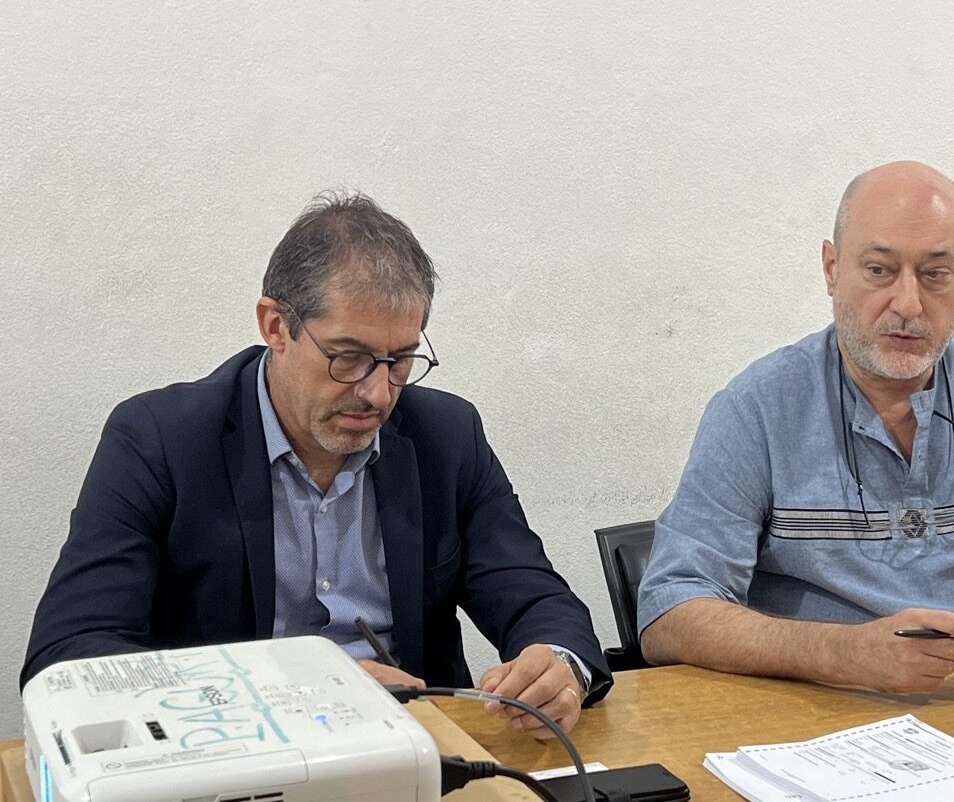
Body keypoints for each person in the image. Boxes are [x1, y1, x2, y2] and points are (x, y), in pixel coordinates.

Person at [23, 192, 611, 738]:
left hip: (416, 748)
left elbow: (537, 598)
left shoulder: (446, 436)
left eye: (400, 360)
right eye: (348, 358)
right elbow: (68, 657)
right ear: (275, 326)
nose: (377, 393)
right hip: (237, 750)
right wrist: (305, 687)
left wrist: (559, 665)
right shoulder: (159, 440)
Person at [637, 161, 954, 694]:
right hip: (820, 707)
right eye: (879, 270)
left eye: (936, 273)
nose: (907, 303)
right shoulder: (758, 408)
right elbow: (671, 609)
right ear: (832, 268)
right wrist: (838, 653)